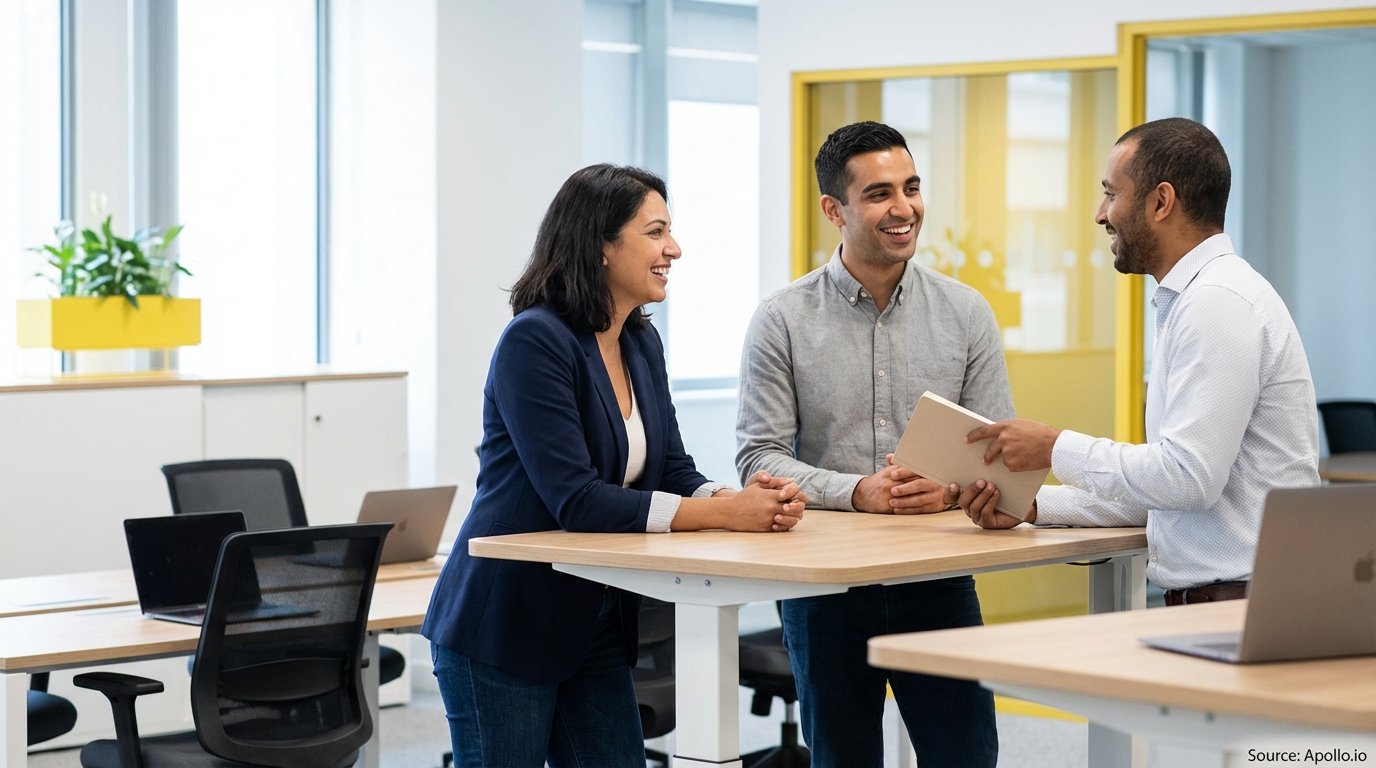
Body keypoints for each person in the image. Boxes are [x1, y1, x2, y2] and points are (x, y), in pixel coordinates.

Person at [422, 164, 807, 768]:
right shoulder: (536, 342)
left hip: (594, 617)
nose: (673, 249)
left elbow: (672, 467)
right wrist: (722, 514)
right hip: (506, 620)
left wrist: (736, 498)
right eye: (656, 232)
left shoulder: (639, 341)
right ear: (600, 245)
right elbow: (576, 499)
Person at [959, 118, 1320, 606]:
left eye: (1111, 193)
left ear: (1161, 202)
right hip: (1240, 599)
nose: (1100, 214)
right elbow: (1163, 496)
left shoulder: (1216, 303)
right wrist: (1031, 504)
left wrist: (1055, 447)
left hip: (1244, 606)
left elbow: (1188, 480)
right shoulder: (1201, 298)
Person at [736, 121, 1009, 768]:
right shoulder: (783, 319)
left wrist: (947, 487)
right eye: (880, 193)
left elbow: (999, 446)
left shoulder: (966, 314)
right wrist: (858, 492)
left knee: (967, 757)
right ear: (835, 209)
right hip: (825, 589)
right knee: (843, 760)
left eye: (911, 188)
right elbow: (757, 457)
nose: (904, 208)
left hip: (937, 577)